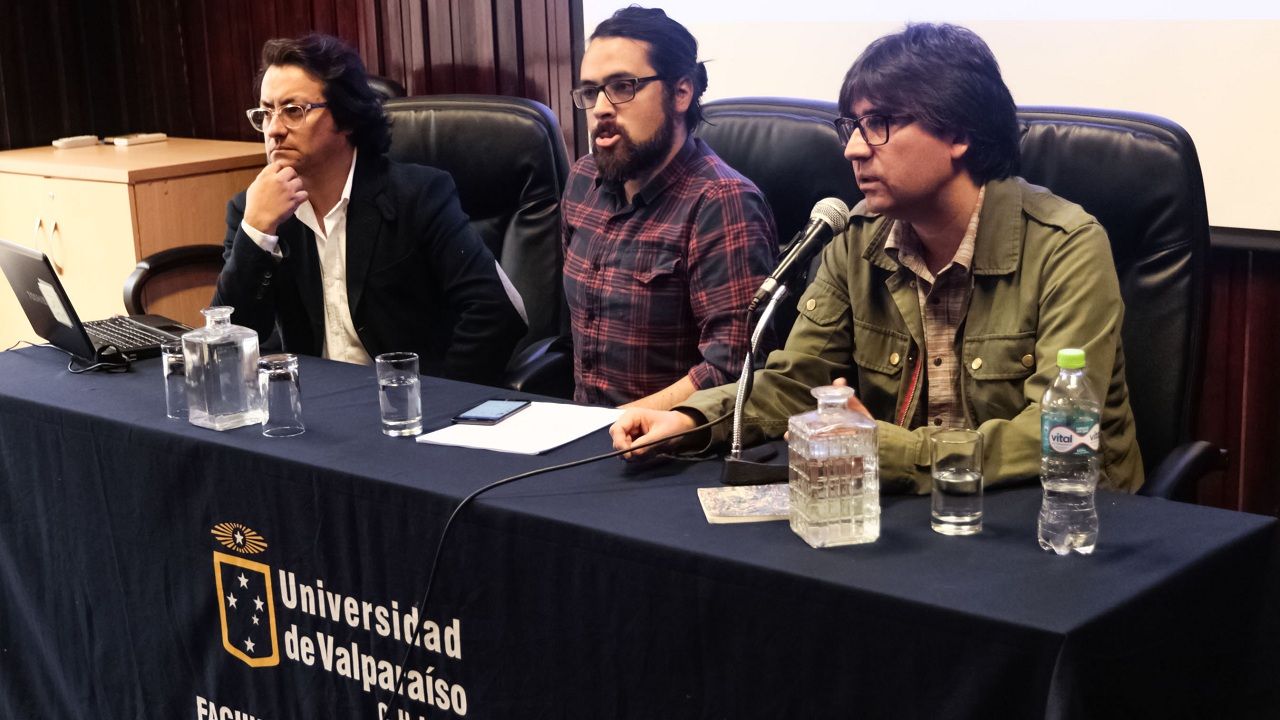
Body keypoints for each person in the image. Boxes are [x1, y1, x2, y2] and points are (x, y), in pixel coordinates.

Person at [610, 23, 1144, 494]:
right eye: (852, 127)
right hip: (909, 515)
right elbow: (795, 383)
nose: (854, 149)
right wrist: (689, 420)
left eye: (880, 123)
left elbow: (1057, 432)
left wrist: (892, 452)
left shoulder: (1066, 245)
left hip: (1057, 517)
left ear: (958, 133)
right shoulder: (856, 236)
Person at [213, 34, 526, 385]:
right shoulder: (253, 211)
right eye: (265, 112)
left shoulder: (418, 196)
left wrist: (439, 395)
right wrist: (256, 233)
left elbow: (496, 310)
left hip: (403, 403)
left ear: (346, 117)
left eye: (293, 111)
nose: (273, 130)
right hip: (311, 406)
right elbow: (227, 345)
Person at [562, 7, 779, 410]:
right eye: (591, 92)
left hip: (670, 439)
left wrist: (625, 420)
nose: (601, 108)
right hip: (581, 430)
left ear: (681, 92)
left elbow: (734, 367)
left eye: (623, 87)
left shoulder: (721, 201)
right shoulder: (582, 179)